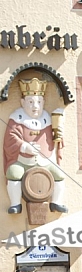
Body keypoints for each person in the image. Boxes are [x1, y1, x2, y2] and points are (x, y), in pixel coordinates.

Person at [3, 78, 67, 214]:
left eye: (38, 102)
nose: (35, 106)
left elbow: (55, 140)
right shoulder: (17, 118)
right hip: (23, 160)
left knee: (59, 174)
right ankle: (15, 204)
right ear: (23, 102)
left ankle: (56, 202)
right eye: (31, 102)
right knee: (13, 173)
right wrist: (24, 147)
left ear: (43, 102)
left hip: (45, 161)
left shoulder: (48, 119)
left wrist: (59, 134)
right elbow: (10, 138)